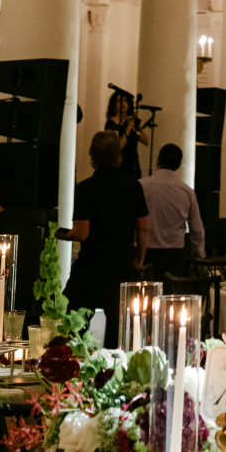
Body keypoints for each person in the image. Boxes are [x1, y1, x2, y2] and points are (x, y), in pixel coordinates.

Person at [59, 132, 149, 347]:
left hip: (91, 269)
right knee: (119, 336)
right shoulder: (133, 186)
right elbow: (143, 229)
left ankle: (72, 369)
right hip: (121, 269)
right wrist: (138, 261)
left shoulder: (85, 188)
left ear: (92, 157)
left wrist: (59, 233)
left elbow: (82, 233)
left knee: (71, 326)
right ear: (119, 156)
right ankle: (113, 372)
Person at [140, 143, 206, 275]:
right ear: (179, 164)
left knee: (144, 294)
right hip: (174, 256)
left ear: (157, 160)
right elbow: (197, 230)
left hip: (144, 252)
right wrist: (199, 255)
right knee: (171, 293)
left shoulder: (141, 186)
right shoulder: (187, 191)